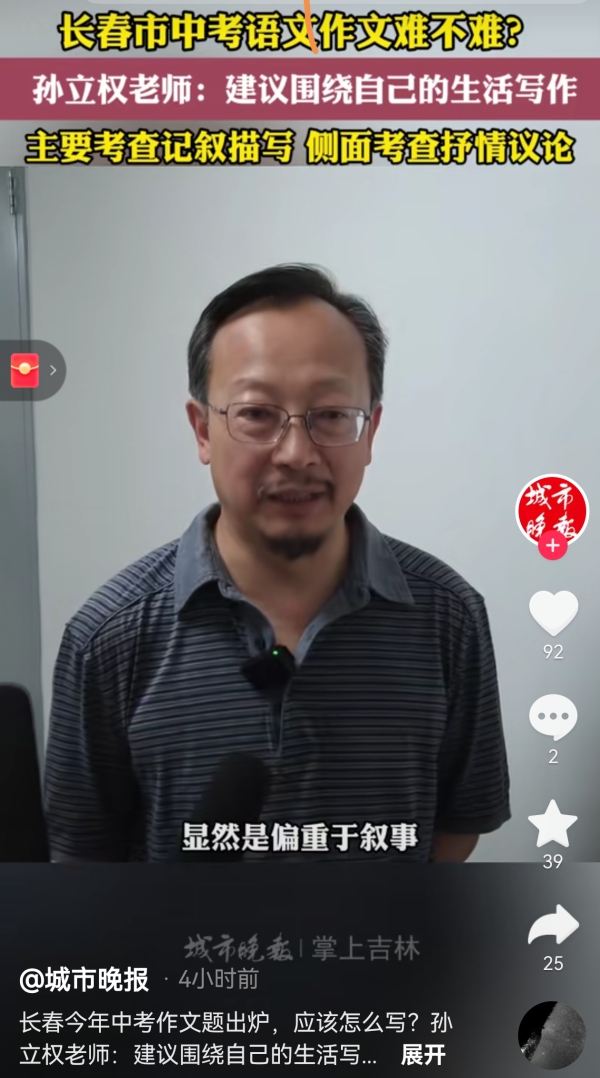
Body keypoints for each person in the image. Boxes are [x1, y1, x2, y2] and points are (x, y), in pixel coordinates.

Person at [44, 264, 510, 863]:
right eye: (257, 414)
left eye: (332, 415)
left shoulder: (449, 615)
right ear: (202, 430)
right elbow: (82, 857)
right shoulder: (109, 636)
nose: (295, 454)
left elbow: (460, 822)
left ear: (370, 432)